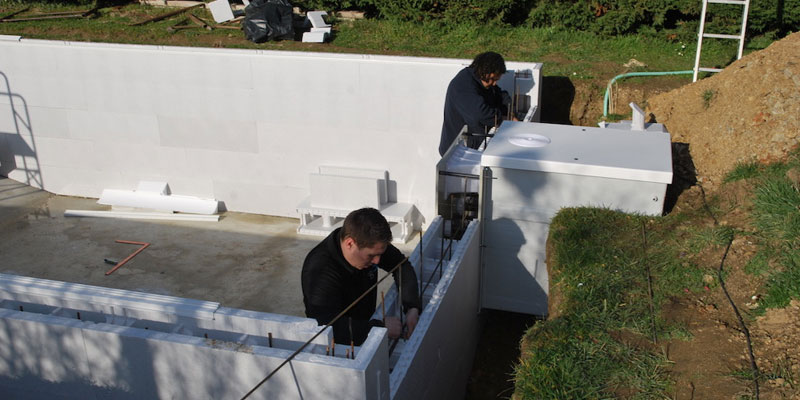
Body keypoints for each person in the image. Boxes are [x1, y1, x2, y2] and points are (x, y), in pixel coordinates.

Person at [301, 207, 421, 346]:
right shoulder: (319, 270)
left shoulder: (371, 244)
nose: (377, 261)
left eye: (380, 254)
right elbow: (325, 327)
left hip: (365, 321)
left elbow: (401, 266)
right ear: (350, 243)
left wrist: (412, 307)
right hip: (342, 348)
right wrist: (378, 328)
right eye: (371, 256)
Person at [439, 51, 512, 156]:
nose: (494, 83)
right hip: (457, 153)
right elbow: (480, 115)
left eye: (496, 80)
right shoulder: (463, 85)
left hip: (474, 146)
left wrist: (511, 111)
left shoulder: (483, 81)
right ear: (484, 71)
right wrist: (504, 118)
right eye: (492, 79)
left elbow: (499, 95)